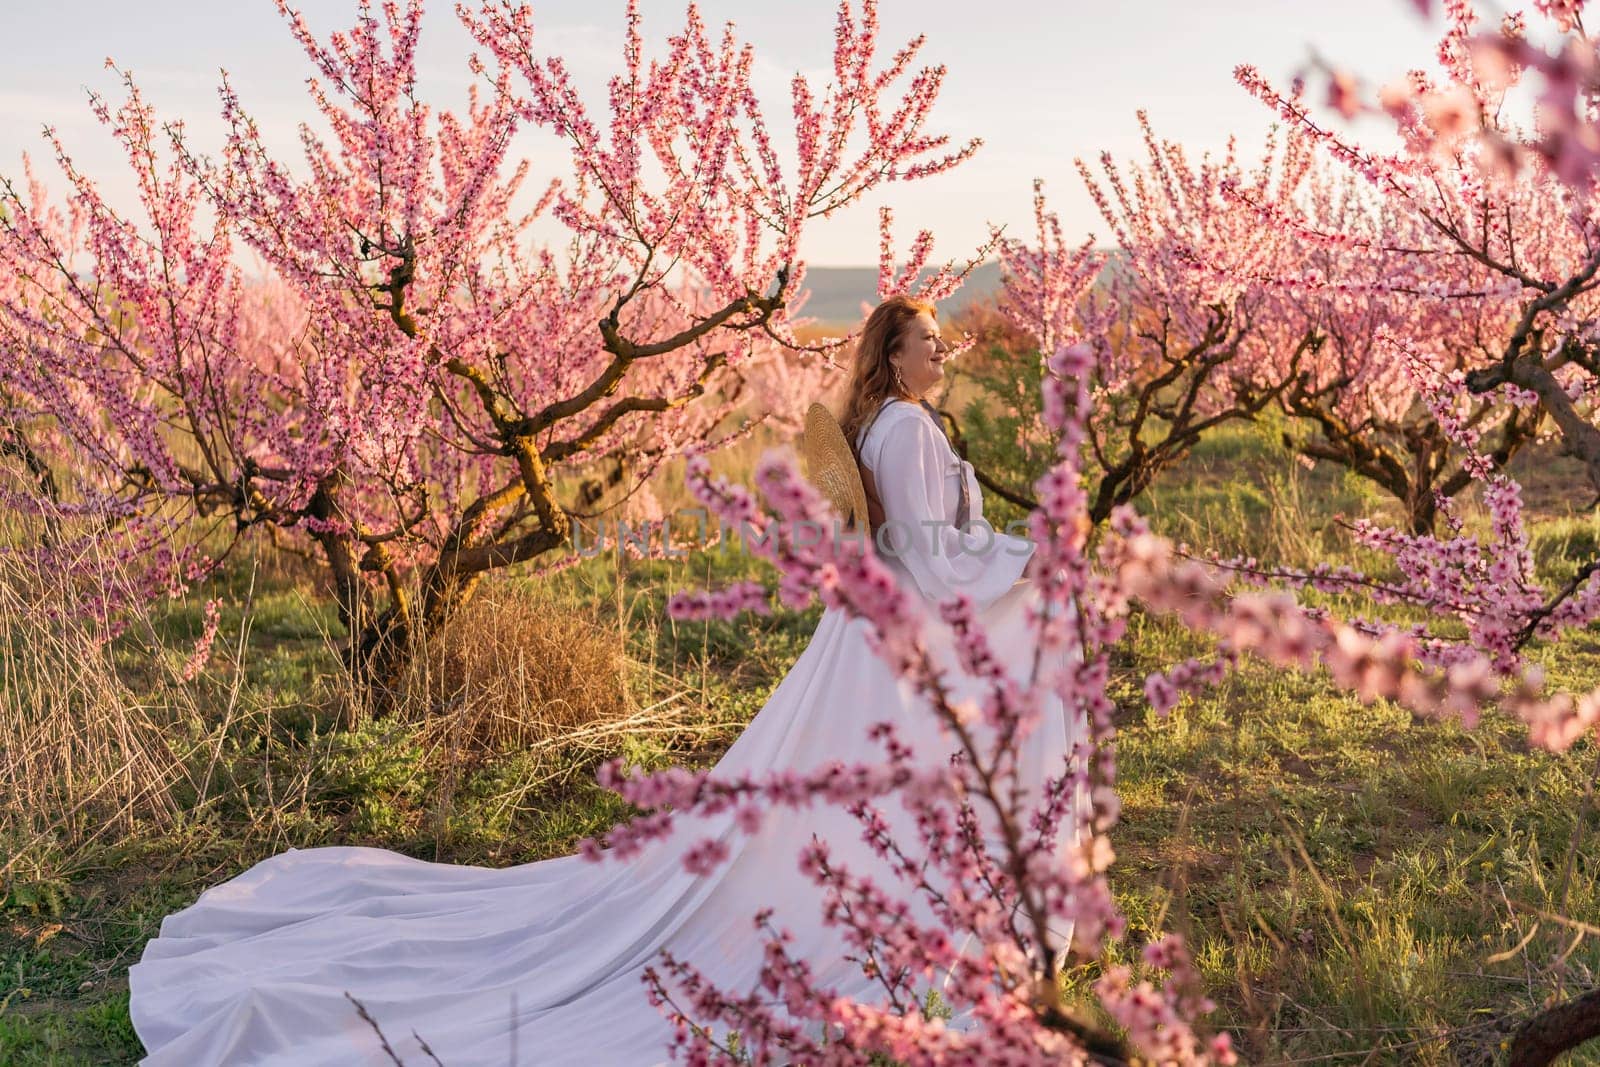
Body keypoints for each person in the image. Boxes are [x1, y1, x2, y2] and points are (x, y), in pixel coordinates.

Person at [127, 294, 1085, 1066]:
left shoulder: (878, 424)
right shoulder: (910, 429)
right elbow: (932, 555)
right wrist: (1028, 556)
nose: (942, 354)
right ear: (893, 352)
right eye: (927, 342)